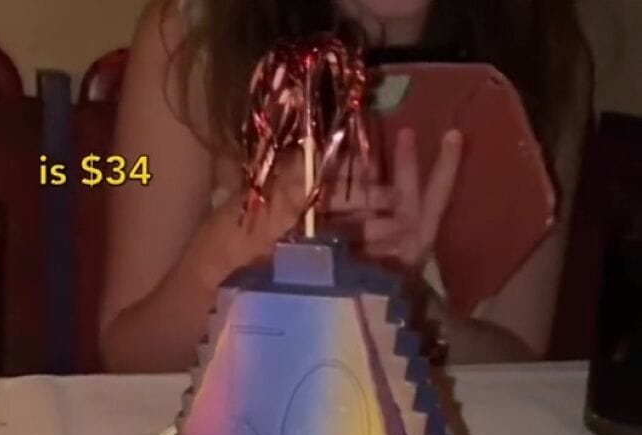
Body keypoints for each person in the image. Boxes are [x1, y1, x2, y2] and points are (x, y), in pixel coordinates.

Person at [100, 0, 592, 372]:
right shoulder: (191, 42)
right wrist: (232, 251)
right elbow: (128, 354)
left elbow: (520, 368)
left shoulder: (543, 59)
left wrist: (403, 301)